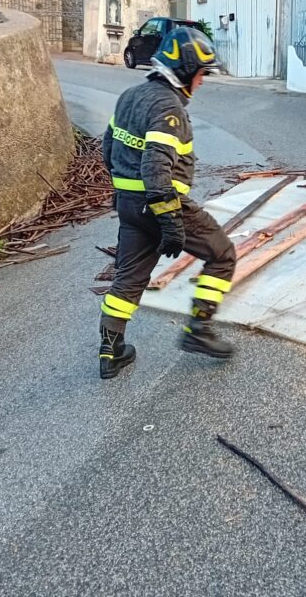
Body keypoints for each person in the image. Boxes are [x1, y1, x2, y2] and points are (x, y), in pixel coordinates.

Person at [97, 26, 237, 380]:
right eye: (203, 73)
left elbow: (108, 151)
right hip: (160, 203)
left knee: (128, 277)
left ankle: (110, 351)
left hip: (129, 205)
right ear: (187, 71)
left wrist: (126, 194)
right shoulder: (168, 108)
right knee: (222, 255)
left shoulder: (130, 95)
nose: (203, 81)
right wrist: (171, 222)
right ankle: (199, 330)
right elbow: (156, 170)